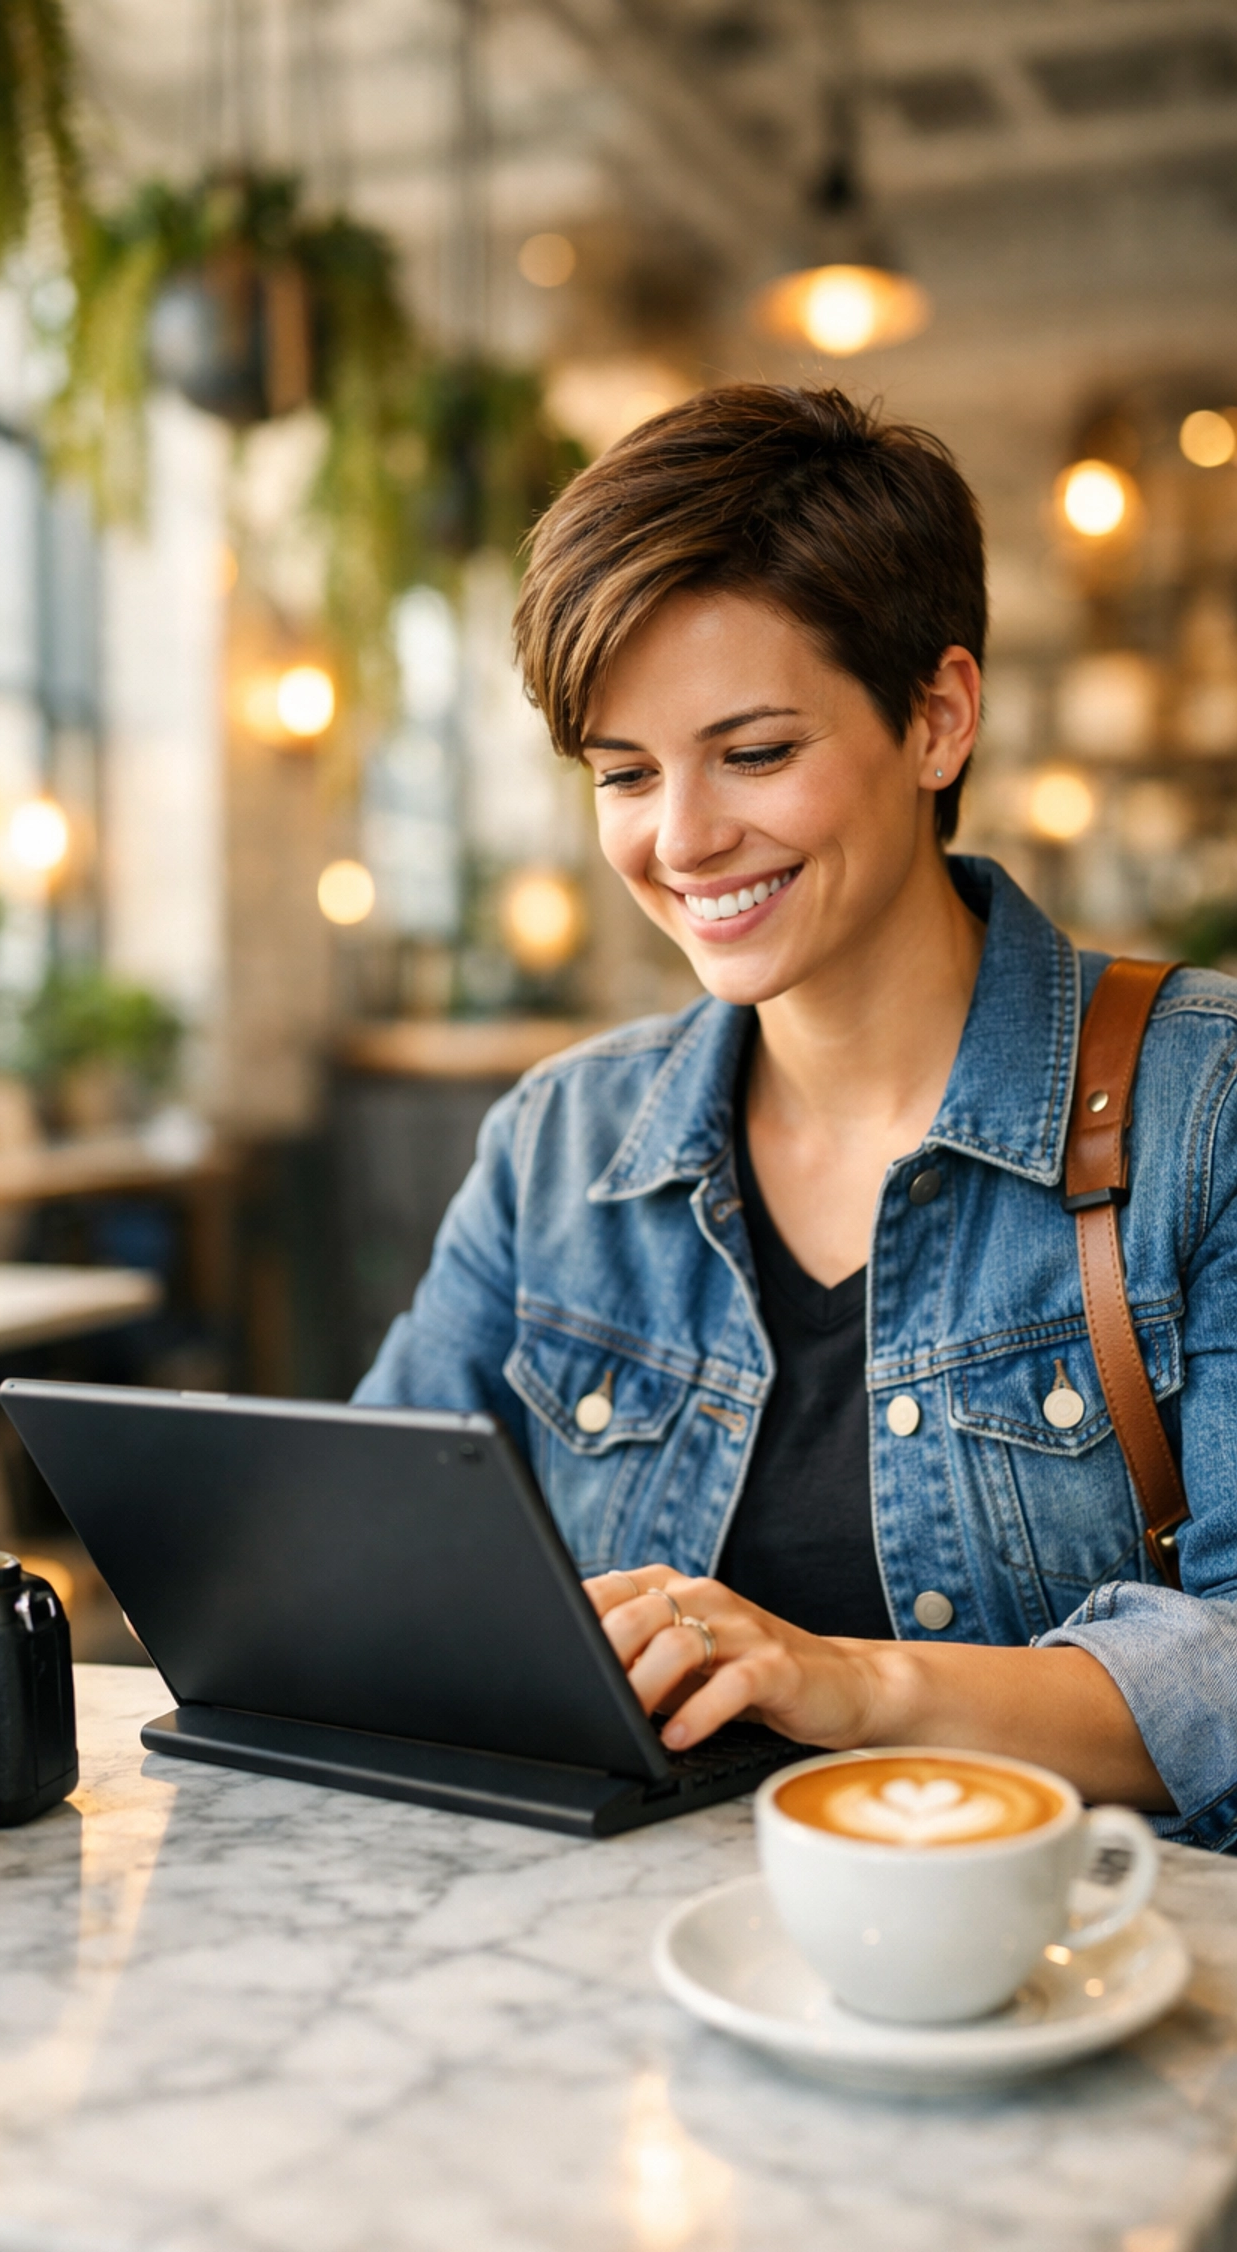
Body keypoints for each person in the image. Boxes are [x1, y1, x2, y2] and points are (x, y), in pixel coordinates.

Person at [355, 383, 1237, 1848]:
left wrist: (851, 1685)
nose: (683, 839)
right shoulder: (557, 1150)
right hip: (623, 1988)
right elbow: (369, 1556)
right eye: (624, 775)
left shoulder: (1204, 1106)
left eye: (754, 753)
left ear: (938, 718)